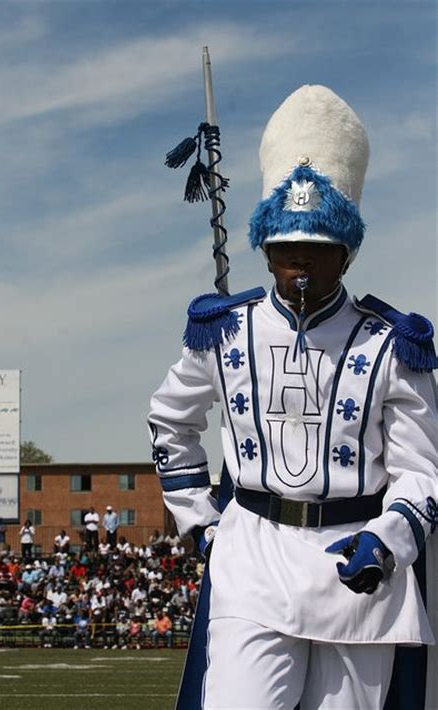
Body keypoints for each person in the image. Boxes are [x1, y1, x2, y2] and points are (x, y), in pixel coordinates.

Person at [148, 85, 437, 708]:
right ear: (265, 245)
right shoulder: (222, 329)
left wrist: (391, 537)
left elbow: (422, 470)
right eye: (285, 247)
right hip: (252, 559)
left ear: (347, 250)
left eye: (317, 248)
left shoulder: (397, 344)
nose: (299, 261)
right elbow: (170, 421)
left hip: (360, 568)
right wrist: (202, 522)